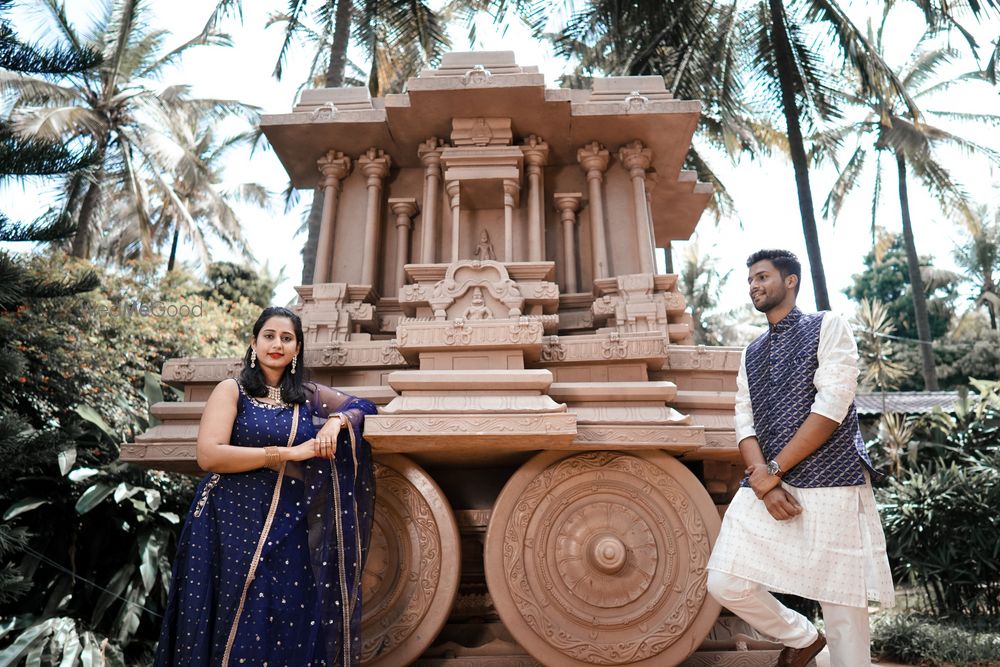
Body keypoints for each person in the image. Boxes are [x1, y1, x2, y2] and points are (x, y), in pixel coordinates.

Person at [155, 306, 377, 667]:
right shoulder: (233, 390)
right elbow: (209, 455)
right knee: (227, 615)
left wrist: (334, 422)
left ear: (297, 349)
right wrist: (289, 453)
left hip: (287, 520)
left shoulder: (306, 396)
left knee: (286, 613)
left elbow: (363, 406)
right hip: (228, 517)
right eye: (269, 336)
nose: (277, 344)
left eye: (286, 338)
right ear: (254, 343)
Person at [706, 249, 895, 667]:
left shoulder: (828, 326)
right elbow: (744, 421)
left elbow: (832, 407)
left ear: (790, 281)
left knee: (841, 600)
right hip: (769, 483)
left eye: (762, 277)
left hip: (832, 479)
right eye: (750, 280)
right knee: (726, 579)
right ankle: (804, 637)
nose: (754, 286)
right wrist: (763, 481)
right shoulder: (751, 352)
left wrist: (773, 472)